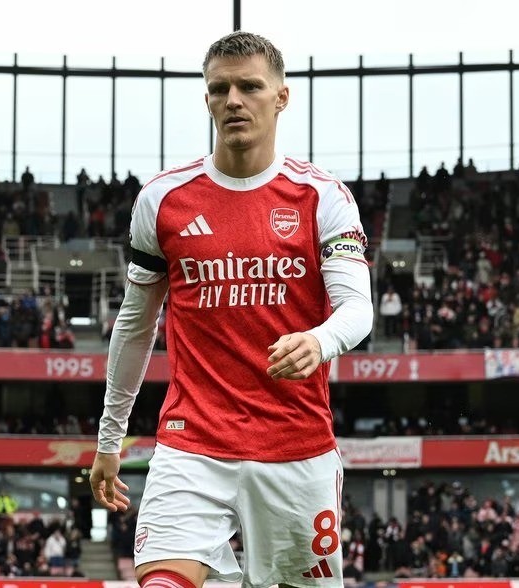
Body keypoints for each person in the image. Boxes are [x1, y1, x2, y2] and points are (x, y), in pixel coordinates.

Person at [90, 31, 372, 588]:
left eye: (250, 87)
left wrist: (320, 340)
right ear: (207, 99)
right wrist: (109, 439)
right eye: (220, 89)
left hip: (295, 447)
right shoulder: (163, 200)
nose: (233, 100)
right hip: (191, 442)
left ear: (281, 97)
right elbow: (135, 326)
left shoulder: (323, 198)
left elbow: (357, 308)